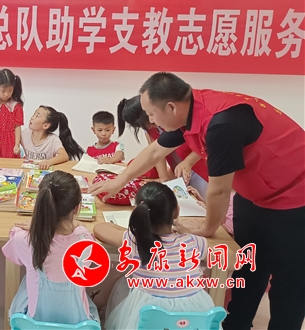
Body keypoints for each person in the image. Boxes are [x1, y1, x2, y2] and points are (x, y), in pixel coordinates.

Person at [91, 72, 305, 330]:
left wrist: (207, 228)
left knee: (288, 282)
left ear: (170, 107)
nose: (151, 121)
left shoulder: (222, 123)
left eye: (151, 114)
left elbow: (219, 191)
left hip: (294, 198)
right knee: (249, 267)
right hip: (254, 196)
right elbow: (156, 150)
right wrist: (119, 180)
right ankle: (236, 325)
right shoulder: (189, 112)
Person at [93, 182, 214, 329]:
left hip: (150, 320)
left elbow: (100, 228)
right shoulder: (193, 242)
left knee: (125, 281)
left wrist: (136, 231)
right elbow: (232, 260)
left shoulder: (135, 241)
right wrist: (188, 234)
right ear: (176, 211)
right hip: (192, 322)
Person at [2, 171, 100, 325]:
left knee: (25, 285)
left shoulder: (25, 239)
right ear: (76, 208)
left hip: (35, 325)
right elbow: (82, 229)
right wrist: (75, 224)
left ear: (40, 204)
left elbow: (14, 248)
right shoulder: (84, 240)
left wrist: (37, 225)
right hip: (78, 325)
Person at [118, 95, 209, 197]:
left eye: (149, 119)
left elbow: (203, 144)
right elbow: (156, 154)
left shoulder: (174, 120)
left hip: (199, 165)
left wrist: (188, 162)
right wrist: (163, 177)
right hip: (178, 167)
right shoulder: (149, 128)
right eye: (143, 125)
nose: (150, 124)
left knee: (204, 198)